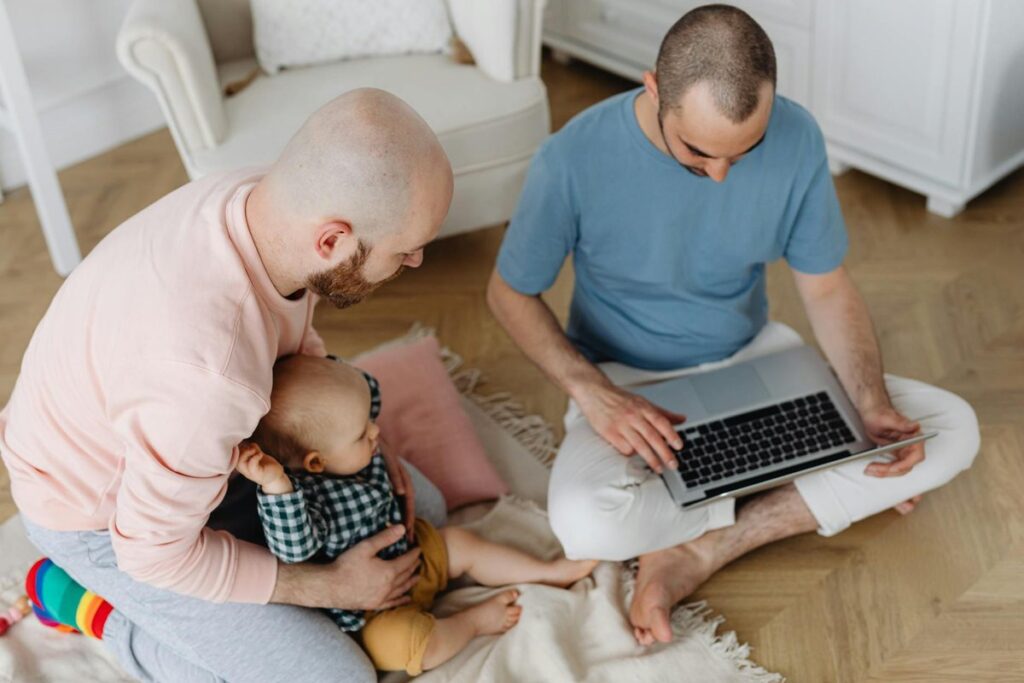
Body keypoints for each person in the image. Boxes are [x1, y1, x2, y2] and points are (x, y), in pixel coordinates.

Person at [487, 4, 980, 646]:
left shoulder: (799, 137)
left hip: (757, 358)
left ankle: (705, 545)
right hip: (627, 383)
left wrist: (870, 402)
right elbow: (509, 293)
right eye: (698, 150)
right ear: (653, 88)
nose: (719, 174)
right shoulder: (570, 158)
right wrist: (593, 392)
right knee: (588, 526)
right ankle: (798, 483)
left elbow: (827, 286)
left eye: (743, 153)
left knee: (953, 431)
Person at [0, 88, 455, 681]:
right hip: (111, 521)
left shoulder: (264, 204)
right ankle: (92, 607)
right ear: (333, 241)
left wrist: (361, 439)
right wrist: (328, 585)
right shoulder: (206, 376)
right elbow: (154, 554)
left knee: (429, 513)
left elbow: (291, 349)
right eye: (405, 250)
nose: (416, 262)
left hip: (211, 446)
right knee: (336, 675)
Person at [236, 354, 597, 675]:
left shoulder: (345, 437)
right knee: (410, 645)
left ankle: (548, 572)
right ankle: (471, 623)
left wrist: (332, 374)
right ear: (316, 462)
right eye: (363, 434)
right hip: (374, 613)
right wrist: (277, 487)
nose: (376, 431)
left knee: (460, 542)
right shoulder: (307, 499)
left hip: (414, 555)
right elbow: (293, 550)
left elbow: (362, 392)